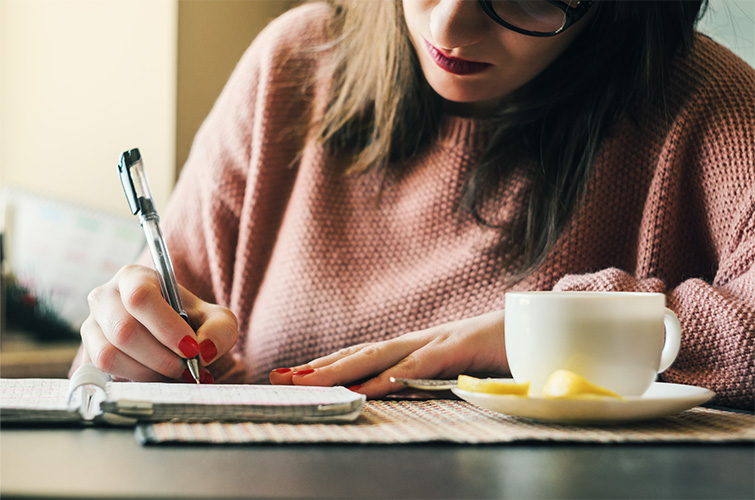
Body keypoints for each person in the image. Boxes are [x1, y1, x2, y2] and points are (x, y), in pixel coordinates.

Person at [72, 0, 754, 409]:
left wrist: (545, 336)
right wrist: (131, 346)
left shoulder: (706, 104)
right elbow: (114, 370)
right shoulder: (293, 66)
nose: (450, 24)